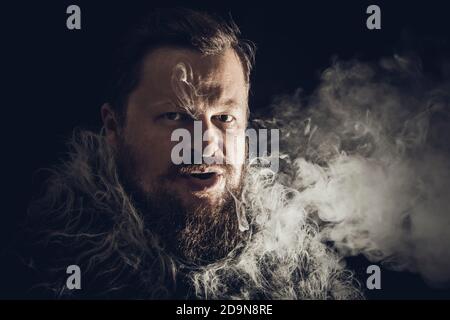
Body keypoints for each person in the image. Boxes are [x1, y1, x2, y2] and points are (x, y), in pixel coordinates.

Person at [14, 8, 361, 299]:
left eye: (224, 117)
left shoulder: (300, 277)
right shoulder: (46, 273)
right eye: (175, 116)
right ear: (114, 127)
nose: (206, 142)